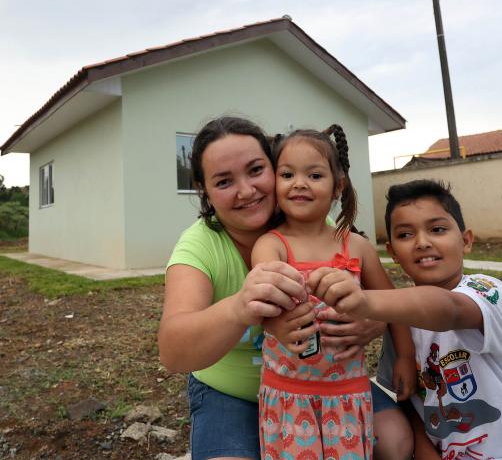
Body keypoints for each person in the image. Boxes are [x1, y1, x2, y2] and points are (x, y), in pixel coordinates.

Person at [157, 116, 390, 460]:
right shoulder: (198, 247)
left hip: (327, 383)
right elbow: (173, 352)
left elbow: (377, 295)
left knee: (395, 439)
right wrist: (242, 309)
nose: (247, 190)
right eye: (224, 181)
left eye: (255, 170)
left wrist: (372, 319)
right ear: (203, 189)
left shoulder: (313, 224)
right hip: (229, 393)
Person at [306, 179, 502, 459]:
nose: (422, 242)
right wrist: (424, 448)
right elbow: (406, 396)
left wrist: (367, 301)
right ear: (392, 252)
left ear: (466, 240)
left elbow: (450, 309)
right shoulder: (401, 326)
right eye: (405, 235)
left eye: (437, 229)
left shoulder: (488, 292)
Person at [251, 126, 415, 460]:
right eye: (287, 174)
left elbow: (394, 305)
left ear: (338, 186)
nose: (299, 183)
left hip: (348, 393)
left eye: (314, 174)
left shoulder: (358, 247)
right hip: (287, 393)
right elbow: (265, 302)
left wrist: (406, 358)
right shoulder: (270, 245)